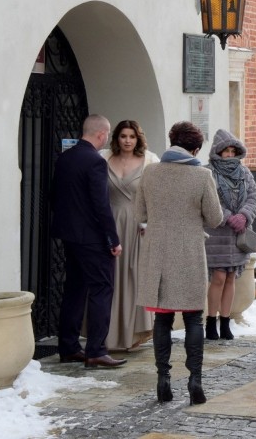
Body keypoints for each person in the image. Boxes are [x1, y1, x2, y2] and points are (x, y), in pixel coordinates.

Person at [135, 121, 223, 405]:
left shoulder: (150, 172)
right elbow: (215, 218)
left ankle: (163, 379)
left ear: (171, 141)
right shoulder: (201, 175)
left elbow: (139, 212)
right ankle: (195, 379)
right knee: (193, 317)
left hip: (158, 253)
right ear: (196, 148)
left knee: (162, 318)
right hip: (189, 253)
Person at [51, 114, 126, 369]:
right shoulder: (95, 161)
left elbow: (55, 196)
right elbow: (100, 205)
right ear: (102, 134)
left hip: (69, 235)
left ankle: (69, 346)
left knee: (74, 290)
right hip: (92, 239)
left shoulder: (65, 158)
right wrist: (113, 239)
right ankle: (96, 350)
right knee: (102, 289)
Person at [100, 120, 159, 351]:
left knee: (134, 278)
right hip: (110, 222)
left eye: (131, 136)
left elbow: (156, 196)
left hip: (137, 226)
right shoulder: (104, 158)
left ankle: (132, 334)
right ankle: (107, 334)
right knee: (109, 278)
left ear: (138, 139)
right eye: (123, 136)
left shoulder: (150, 161)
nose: (127, 140)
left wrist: (149, 221)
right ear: (117, 138)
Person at [204, 129, 256, 341]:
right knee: (217, 277)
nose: (229, 154)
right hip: (217, 233)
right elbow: (209, 201)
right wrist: (228, 216)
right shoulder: (208, 172)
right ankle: (211, 321)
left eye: (232, 151)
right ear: (218, 152)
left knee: (230, 278)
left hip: (238, 234)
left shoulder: (244, 173)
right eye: (225, 151)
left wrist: (244, 216)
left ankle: (226, 322)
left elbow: (253, 197)